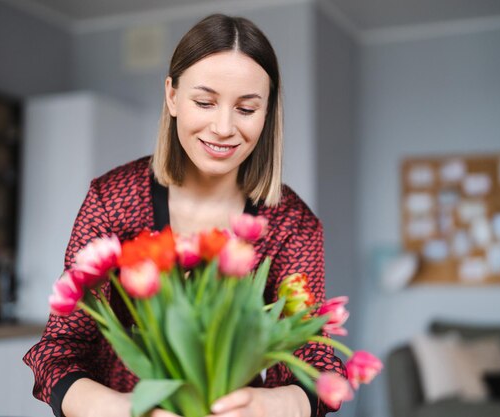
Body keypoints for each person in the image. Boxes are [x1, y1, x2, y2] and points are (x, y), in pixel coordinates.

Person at [24, 13, 346, 417]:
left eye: (246, 109)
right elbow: (59, 349)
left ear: (267, 113)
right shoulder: (112, 200)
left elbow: (315, 357)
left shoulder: (290, 224)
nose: (224, 127)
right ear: (172, 96)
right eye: (205, 102)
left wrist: (272, 406)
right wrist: (125, 411)